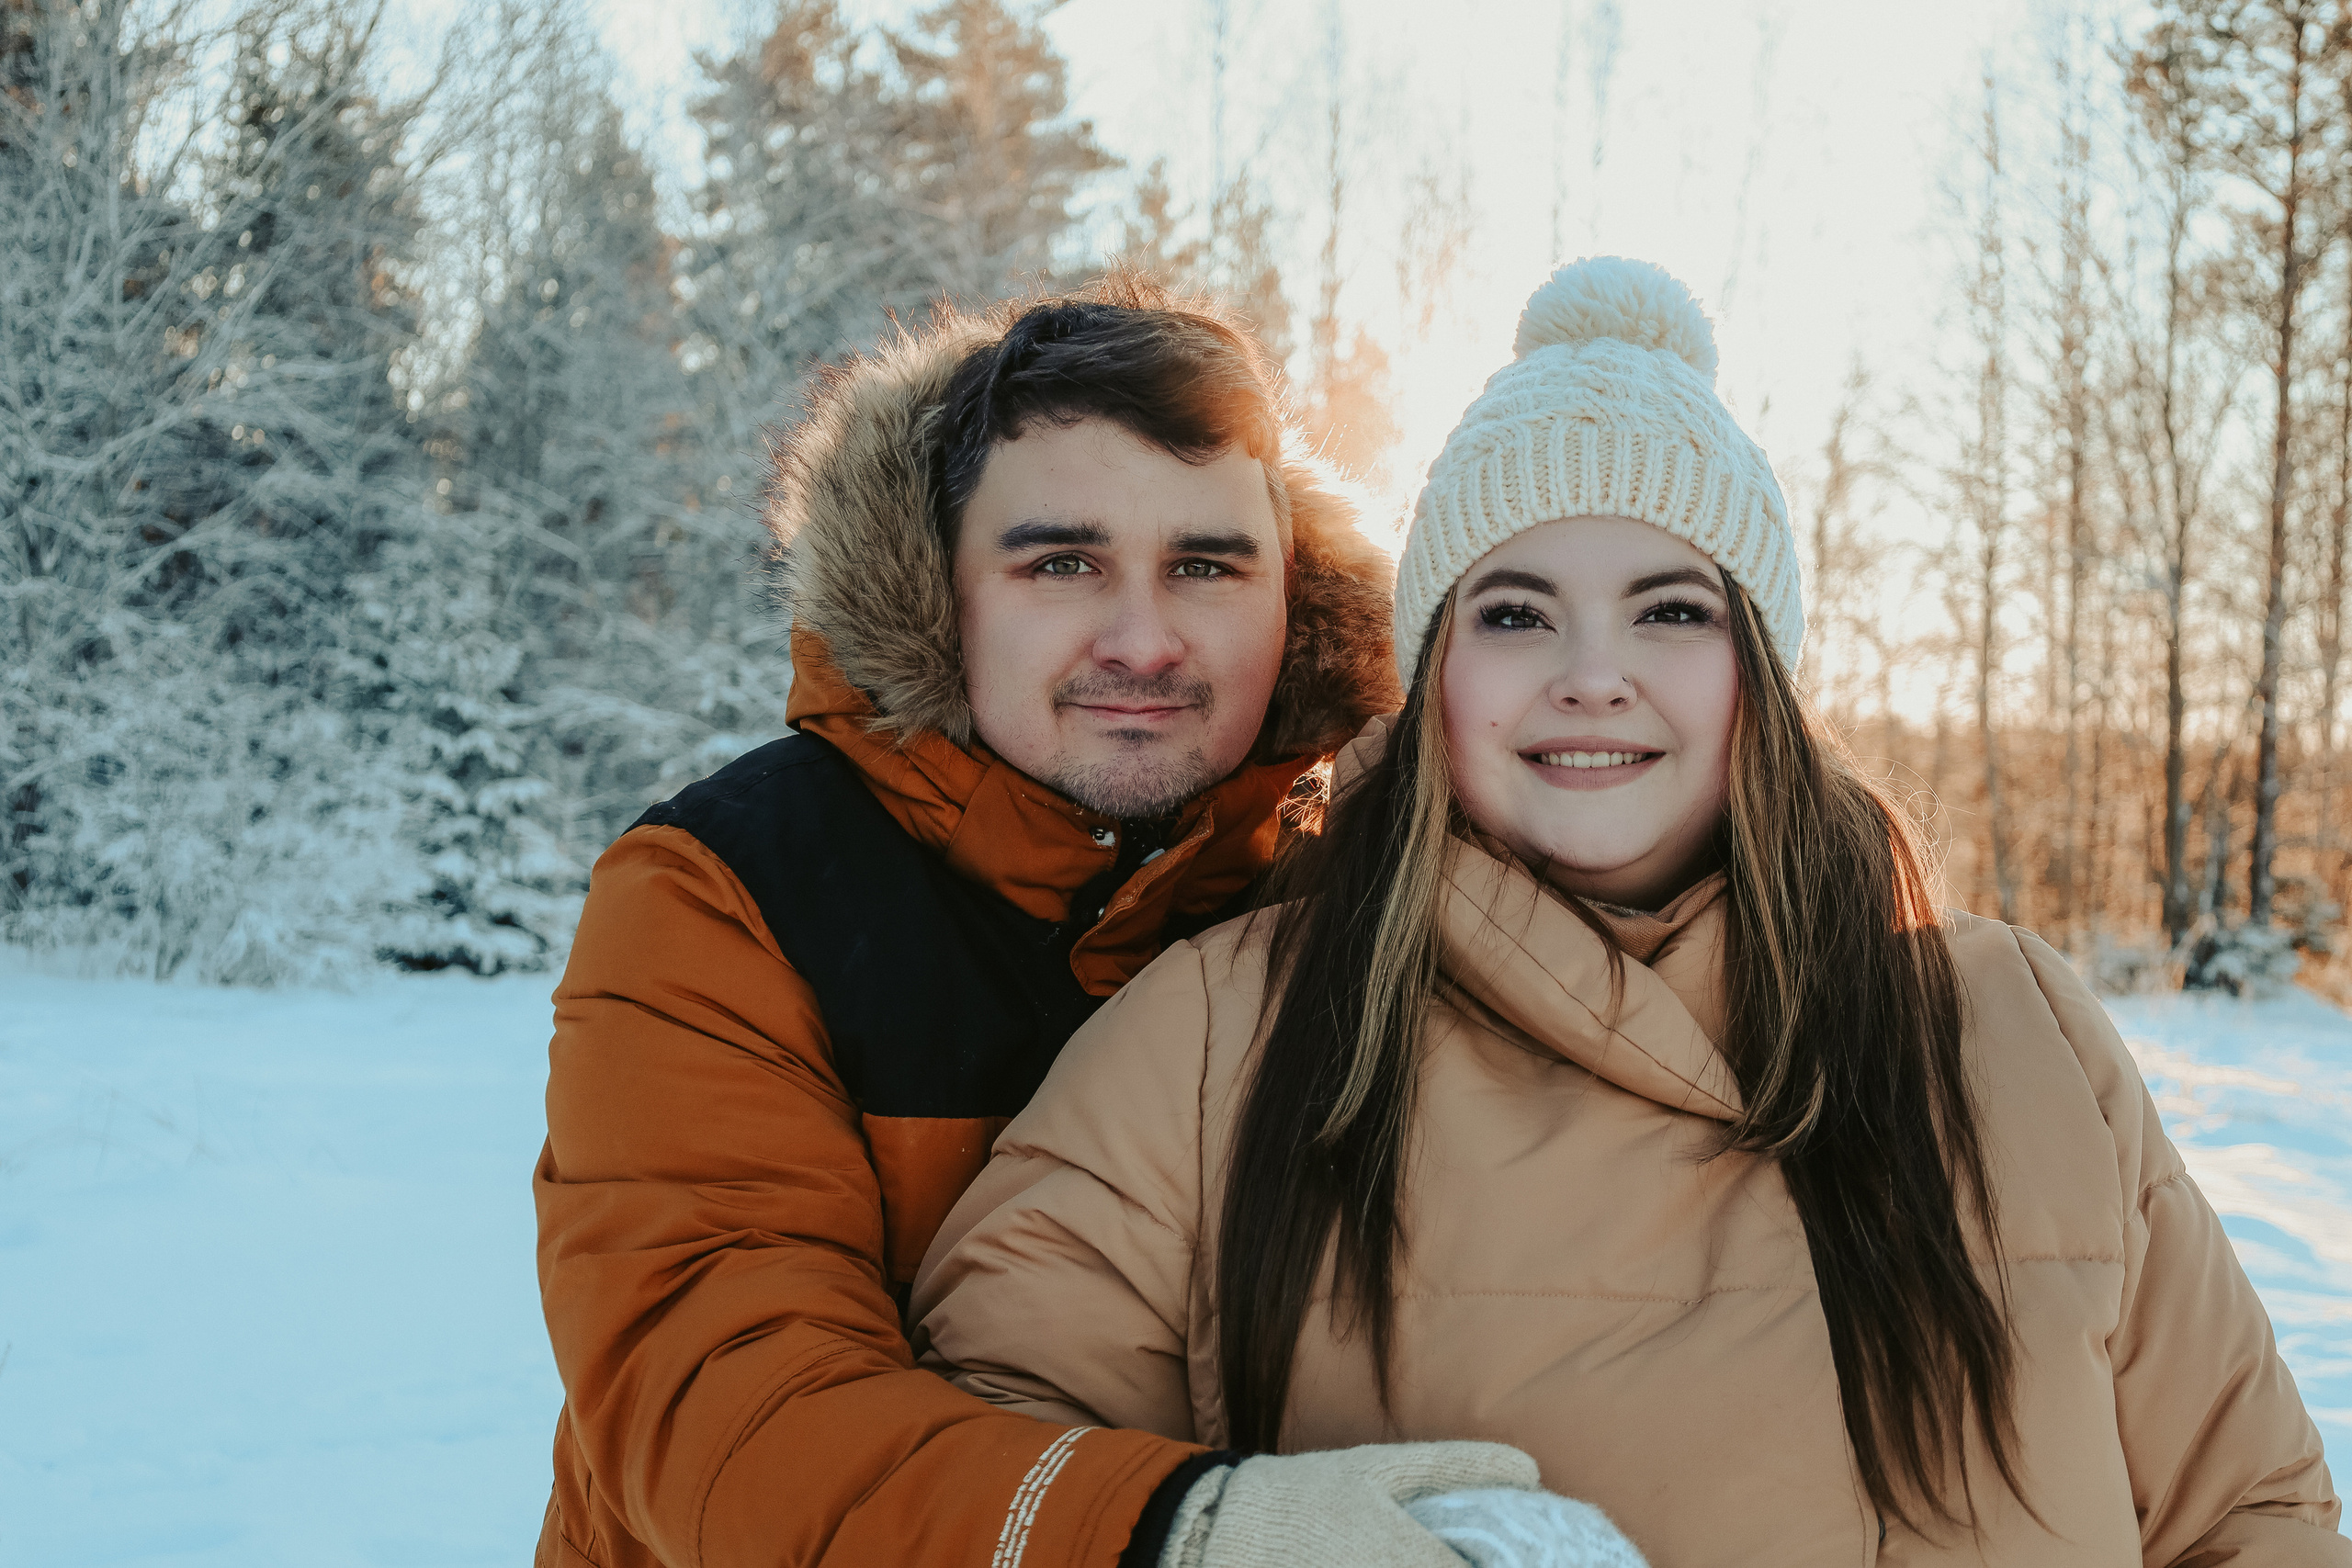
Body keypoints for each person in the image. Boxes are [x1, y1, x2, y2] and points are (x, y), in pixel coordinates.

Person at [911, 258, 2351, 1566]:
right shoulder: (1227, 1034)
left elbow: (2250, 1511)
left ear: (1759, 675)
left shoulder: (2010, 1025)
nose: (1592, 675)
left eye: (1671, 611)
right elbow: (986, 1482)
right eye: (1517, 613)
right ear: (1436, 679)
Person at [532, 274, 1566, 1568]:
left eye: (1206, 565)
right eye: (1064, 562)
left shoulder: (1359, 895)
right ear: (941, 589)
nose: (1143, 639)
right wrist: (1171, 1538)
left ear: (1289, 598)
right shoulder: (727, 895)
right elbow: (726, 1415)